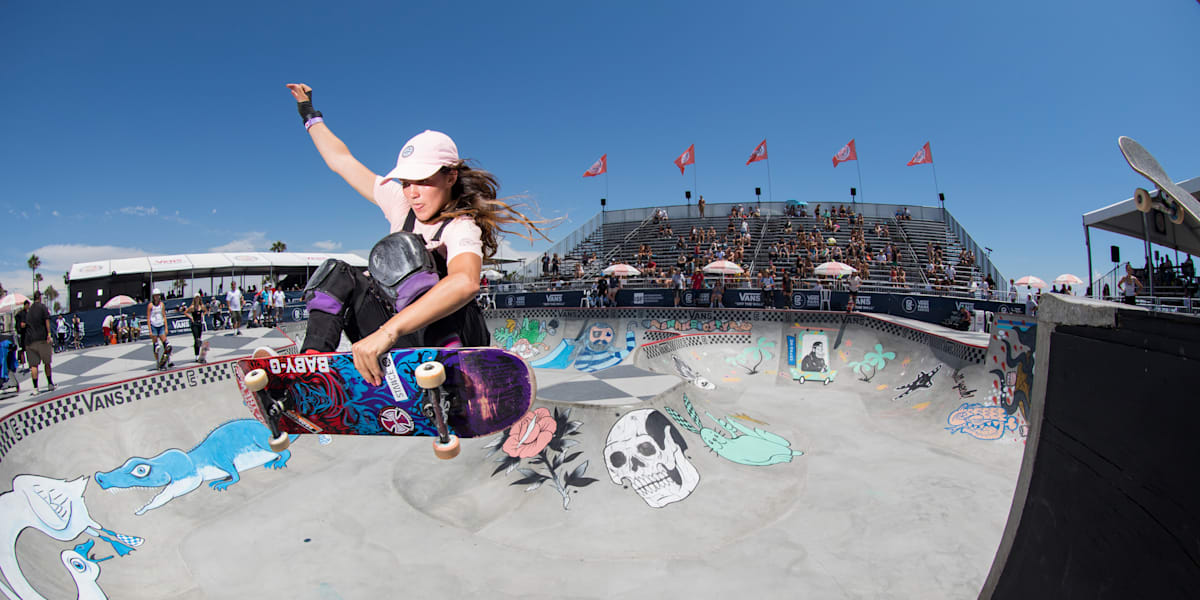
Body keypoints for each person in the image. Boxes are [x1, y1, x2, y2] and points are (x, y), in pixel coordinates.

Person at [285, 83, 549, 384]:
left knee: (404, 250)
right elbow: (342, 161)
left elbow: (465, 282)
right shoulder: (400, 202)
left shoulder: (461, 225)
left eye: (422, 181)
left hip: (459, 335)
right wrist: (308, 113)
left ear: (450, 177)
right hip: (404, 335)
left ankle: (449, 362)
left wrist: (388, 332)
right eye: (406, 183)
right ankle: (312, 366)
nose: (413, 193)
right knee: (337, 273)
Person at [24, 291, 55, 393]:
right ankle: (50, 383)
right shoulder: (42, 307)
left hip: (30, 341)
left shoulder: (29, 310)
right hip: (42, 339)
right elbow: (47, 321)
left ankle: (35, 388)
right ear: (40, 297)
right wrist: (49, 334)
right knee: (47, 362)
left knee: (34, 365)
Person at [147, 288, 172, 367]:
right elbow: (148, 318)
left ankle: (168, 360)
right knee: (156, 346)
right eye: (155, 296)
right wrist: (150, 330)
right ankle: (157, 362)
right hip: (154, 325)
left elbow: (164, 316)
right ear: (153, 296)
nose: (157, 297)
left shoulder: (162, 305)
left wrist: (166, 327)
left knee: (166, 344)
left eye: (158, 295)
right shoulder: (150, 305)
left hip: (161, 325)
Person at [185, 293, 208, 363]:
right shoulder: (192, 307)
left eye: (198, 298)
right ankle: (196, 356)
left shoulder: (201, 306)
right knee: (196, 339)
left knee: (199, 339)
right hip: (194, 323)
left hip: (199, 323)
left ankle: (199, 355)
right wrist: (191, 317)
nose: (197, 299)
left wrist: (202, 315)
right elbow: (185, 312)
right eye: (196, 298)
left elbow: (205, 310)